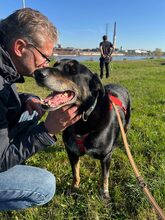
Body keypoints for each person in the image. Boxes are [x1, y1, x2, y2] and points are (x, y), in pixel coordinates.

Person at [0, 8, 81, 211]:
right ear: (20, 47)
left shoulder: (5, 66)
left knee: (29, 111)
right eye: (45, 57)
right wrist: (47, 131)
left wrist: (27, 98)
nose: (45, 65)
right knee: (44, 185)